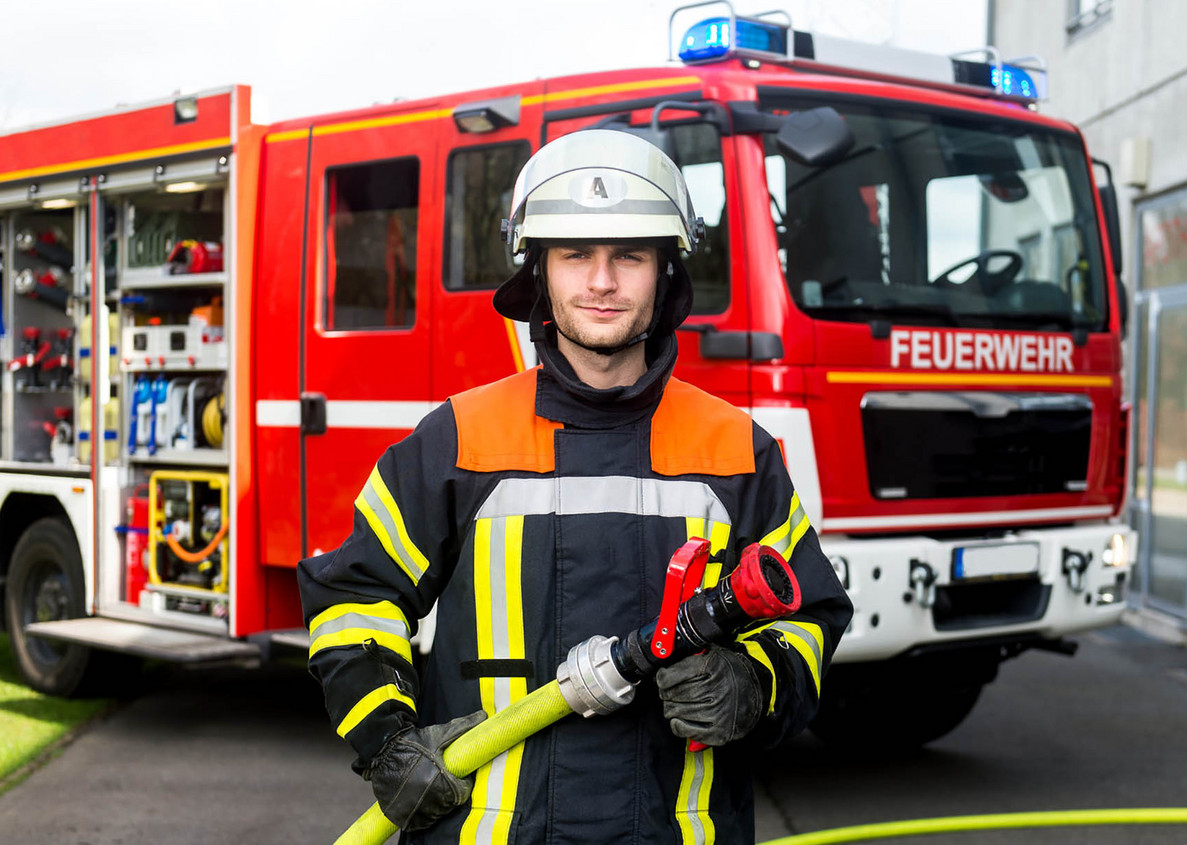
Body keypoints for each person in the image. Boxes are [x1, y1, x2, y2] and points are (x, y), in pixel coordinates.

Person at [297, 129, 853, 844]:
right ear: (539, 271)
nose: (600, 281)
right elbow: (356, 596)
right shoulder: (458, 438)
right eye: (574, 254)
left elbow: (808, 615)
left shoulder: (734, 449)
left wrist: (754, 682)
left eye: (628, 254)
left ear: (666, 272)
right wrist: (388, 738)